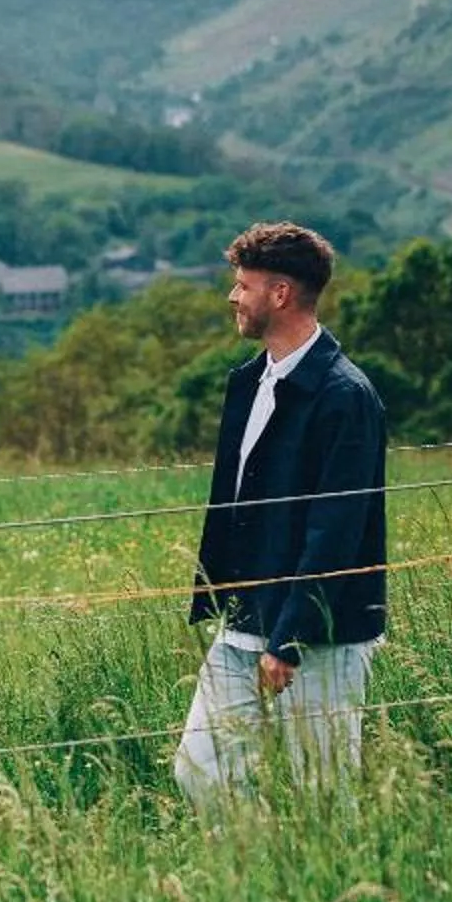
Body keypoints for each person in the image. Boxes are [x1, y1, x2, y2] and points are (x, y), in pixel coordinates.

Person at [176, 222, 388, 804]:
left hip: (321, 634)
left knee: (323, 790)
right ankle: (252, 877)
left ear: (280, 294)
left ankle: (330, 890)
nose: (232, 297)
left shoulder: (345, 396)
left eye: (243, 285)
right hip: (245, 620)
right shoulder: (249, 383)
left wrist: (289, 638)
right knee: (200, 770)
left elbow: (334, 532)